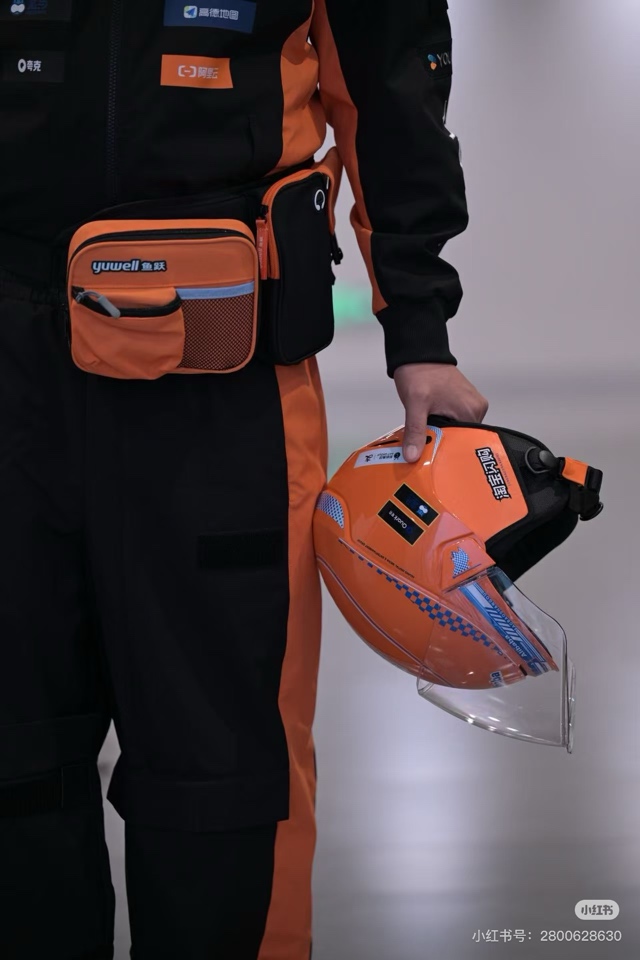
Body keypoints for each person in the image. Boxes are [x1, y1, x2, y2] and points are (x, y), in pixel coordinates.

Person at [0, 1, 487, 957]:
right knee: (14, 757)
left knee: (226, 768)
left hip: (226, 392)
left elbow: (387, 79)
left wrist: (420, 325)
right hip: (12, 364)